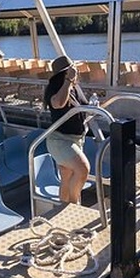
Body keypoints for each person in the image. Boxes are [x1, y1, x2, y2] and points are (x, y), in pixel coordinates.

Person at [43, 55, 90, 204]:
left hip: (77, 139)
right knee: (83, 169)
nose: (75, 72)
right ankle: (74, 205)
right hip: (60, 140)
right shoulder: (55, 88)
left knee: (67, 176)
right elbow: (58, 103)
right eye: (71, 70)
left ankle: (63, 207)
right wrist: (68, 81)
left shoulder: (75, 87)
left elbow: (82, 107)